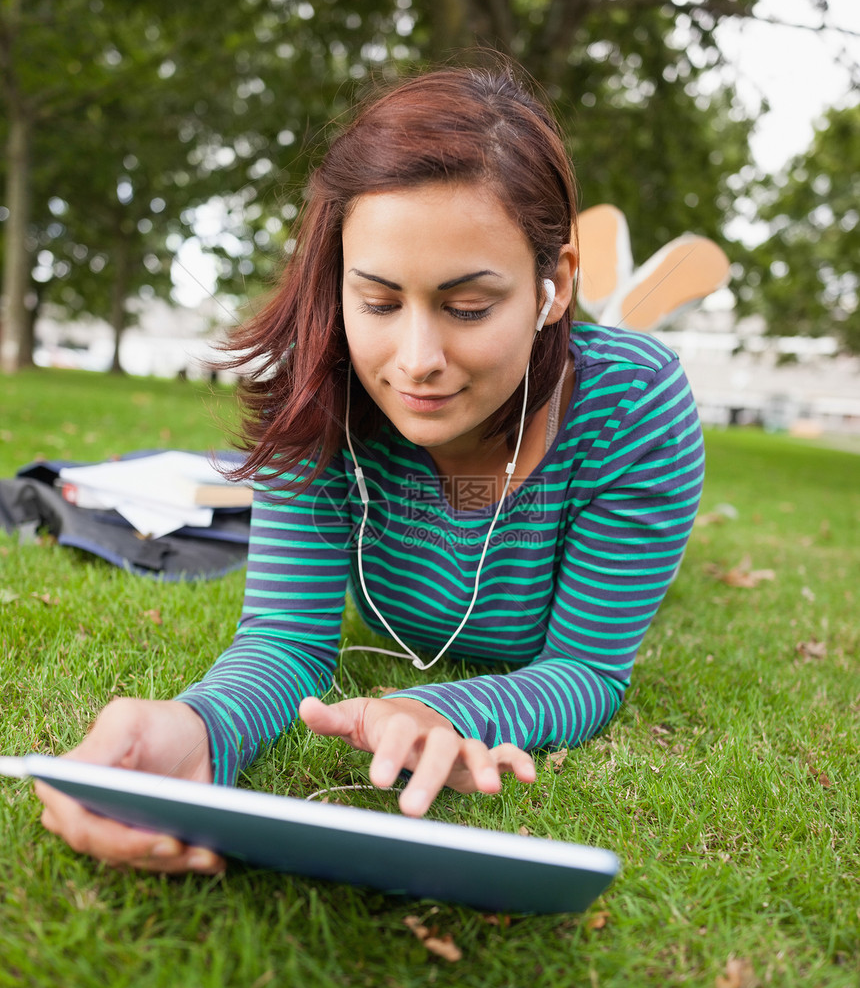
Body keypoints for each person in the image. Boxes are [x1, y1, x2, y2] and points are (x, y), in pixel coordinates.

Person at [37, 63, 705, 875]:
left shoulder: (635, 405)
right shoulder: (313, 387)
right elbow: (287, 642)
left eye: (468, 307)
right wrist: (199, 725)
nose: (417, 362)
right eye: (380, 303)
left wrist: (428, 709)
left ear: (554, 284)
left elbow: (587, 669)